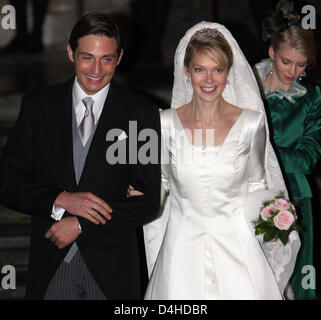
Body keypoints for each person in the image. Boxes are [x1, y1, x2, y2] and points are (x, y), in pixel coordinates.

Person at [0, 12, 161, 300]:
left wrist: (80, 223)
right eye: (87, 57)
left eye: (107, 59)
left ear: (120, 57)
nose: (97, 69)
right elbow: (8, 183)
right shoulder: (39, 108)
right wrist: (59, 199)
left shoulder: (138, 113)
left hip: (112, 272)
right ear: (70, 52)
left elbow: (148, 202)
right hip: (52, 264)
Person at [141, 21, 301, 300]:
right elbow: (161, 186)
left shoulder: (250, 124)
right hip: (180, 254)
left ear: (229, 73)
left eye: (217, 70)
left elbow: (256, 185)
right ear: (186, 71)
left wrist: (271, 218)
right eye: (200, 69)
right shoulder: (164, 124)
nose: (209, 79)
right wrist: (137, 190)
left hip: (238, 251)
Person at [255, 0, 321, 300]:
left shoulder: (311, 97)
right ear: (271, 52)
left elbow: (309, 157)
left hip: (296, 196)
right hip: (251, 192)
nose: (293, 71)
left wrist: (266, 153)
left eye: (301, 65)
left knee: (298, 278)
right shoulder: (247, 89)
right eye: (286, 62)